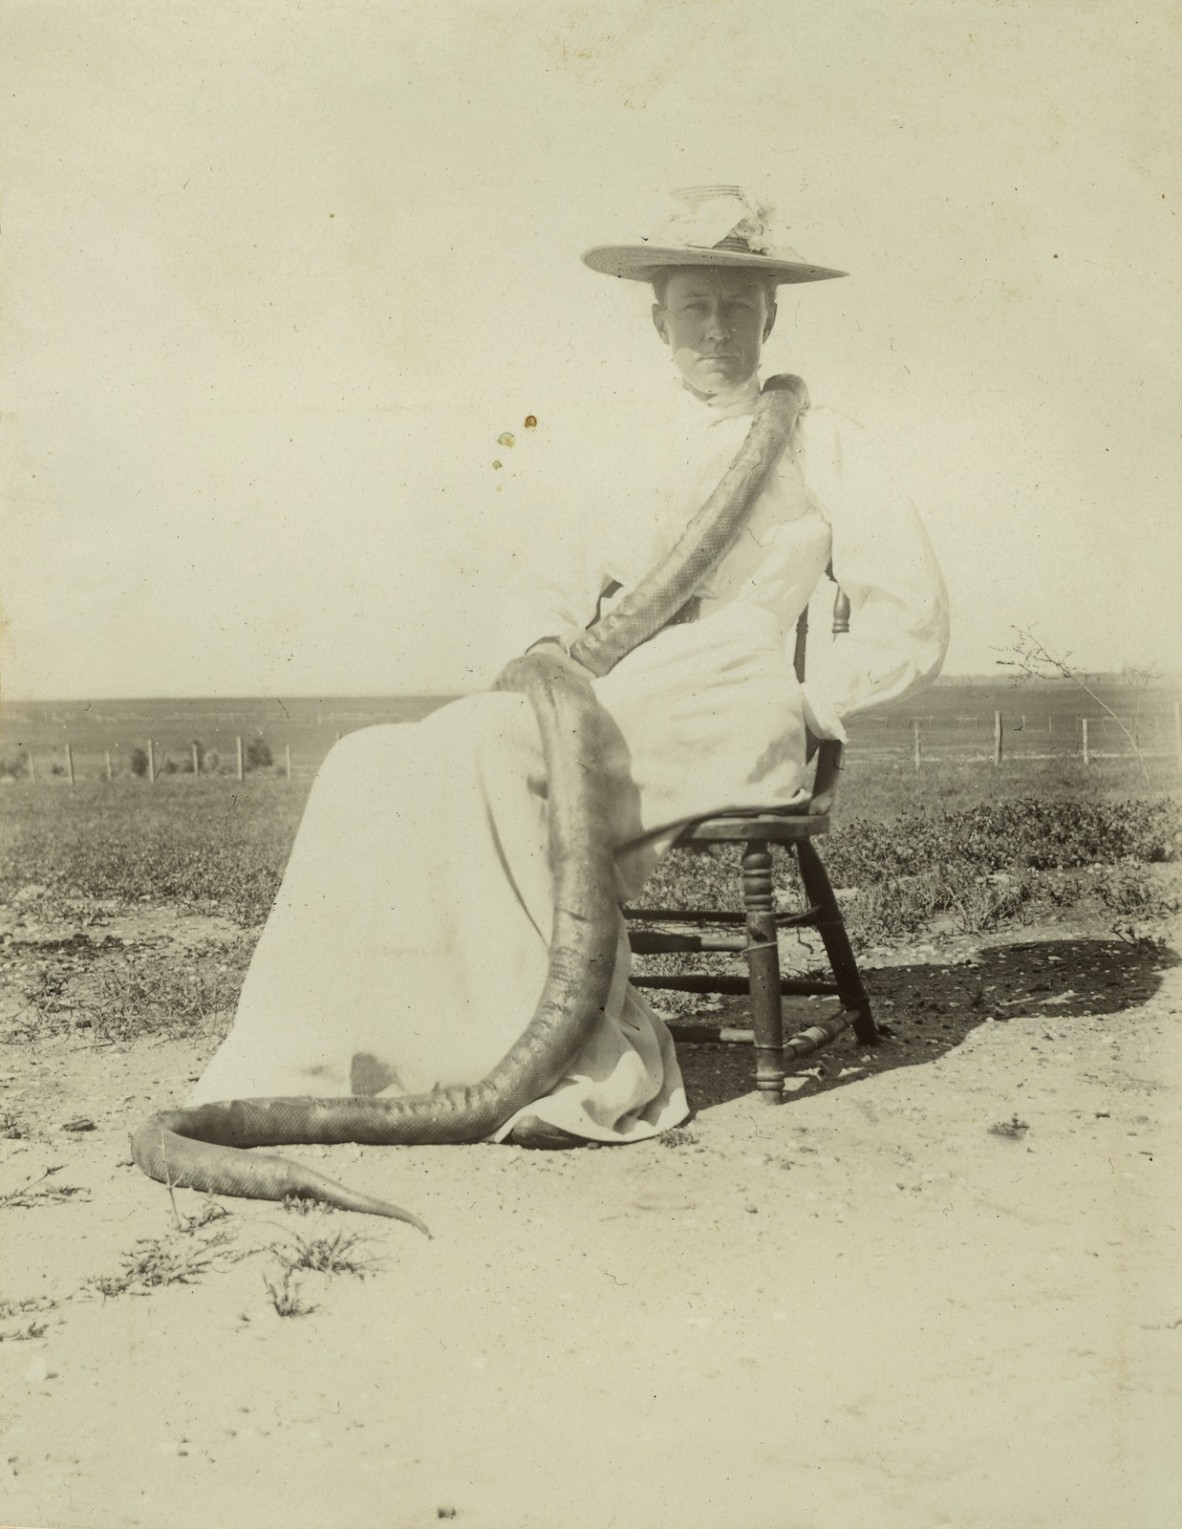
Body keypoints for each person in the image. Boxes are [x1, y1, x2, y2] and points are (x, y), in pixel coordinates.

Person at [188, 185, 949, 1147]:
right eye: (694, 308)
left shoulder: (820, 435)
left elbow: (910, 610)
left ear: (771, 313)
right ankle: (369, 1052)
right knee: (372, 762)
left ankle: (555, 1060)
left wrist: (813, 700)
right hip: (615, 688)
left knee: (501, 765)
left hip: (739, 691)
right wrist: (542, 649)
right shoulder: (624, 448)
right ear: (658, 320)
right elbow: (544, 579)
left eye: (736, 306)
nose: (716, 328)